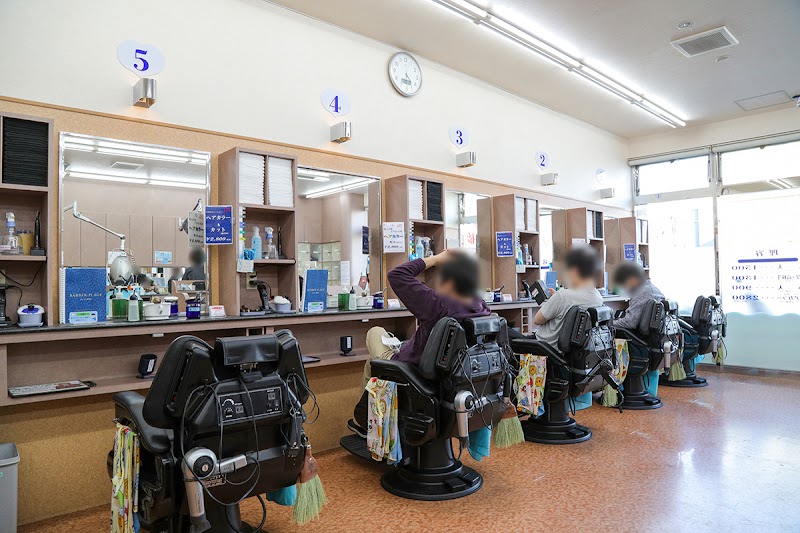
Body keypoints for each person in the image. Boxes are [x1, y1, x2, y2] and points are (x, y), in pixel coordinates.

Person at [359, 249, 491, 387]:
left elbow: (396, 274)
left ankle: (372, 401)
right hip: (453, 375)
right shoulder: (482, 307)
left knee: (375, 332)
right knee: (372, 364)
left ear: (450, 283)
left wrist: (435, 259)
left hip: (411, 370)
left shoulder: (438, 304)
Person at [532, 245, 603, 348]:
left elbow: (537, 320)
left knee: (508, 332)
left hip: (545, 348)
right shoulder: (597, 297)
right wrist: (557, 298)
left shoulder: (563, 296)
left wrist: (555, 299)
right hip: (575, 351)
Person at [611, 261, 664, 330]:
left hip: (639, 334)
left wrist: (609, 324)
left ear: (632, 279)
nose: (625, 286)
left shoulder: (641, 293)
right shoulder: (653, 289)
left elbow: (629, 323)